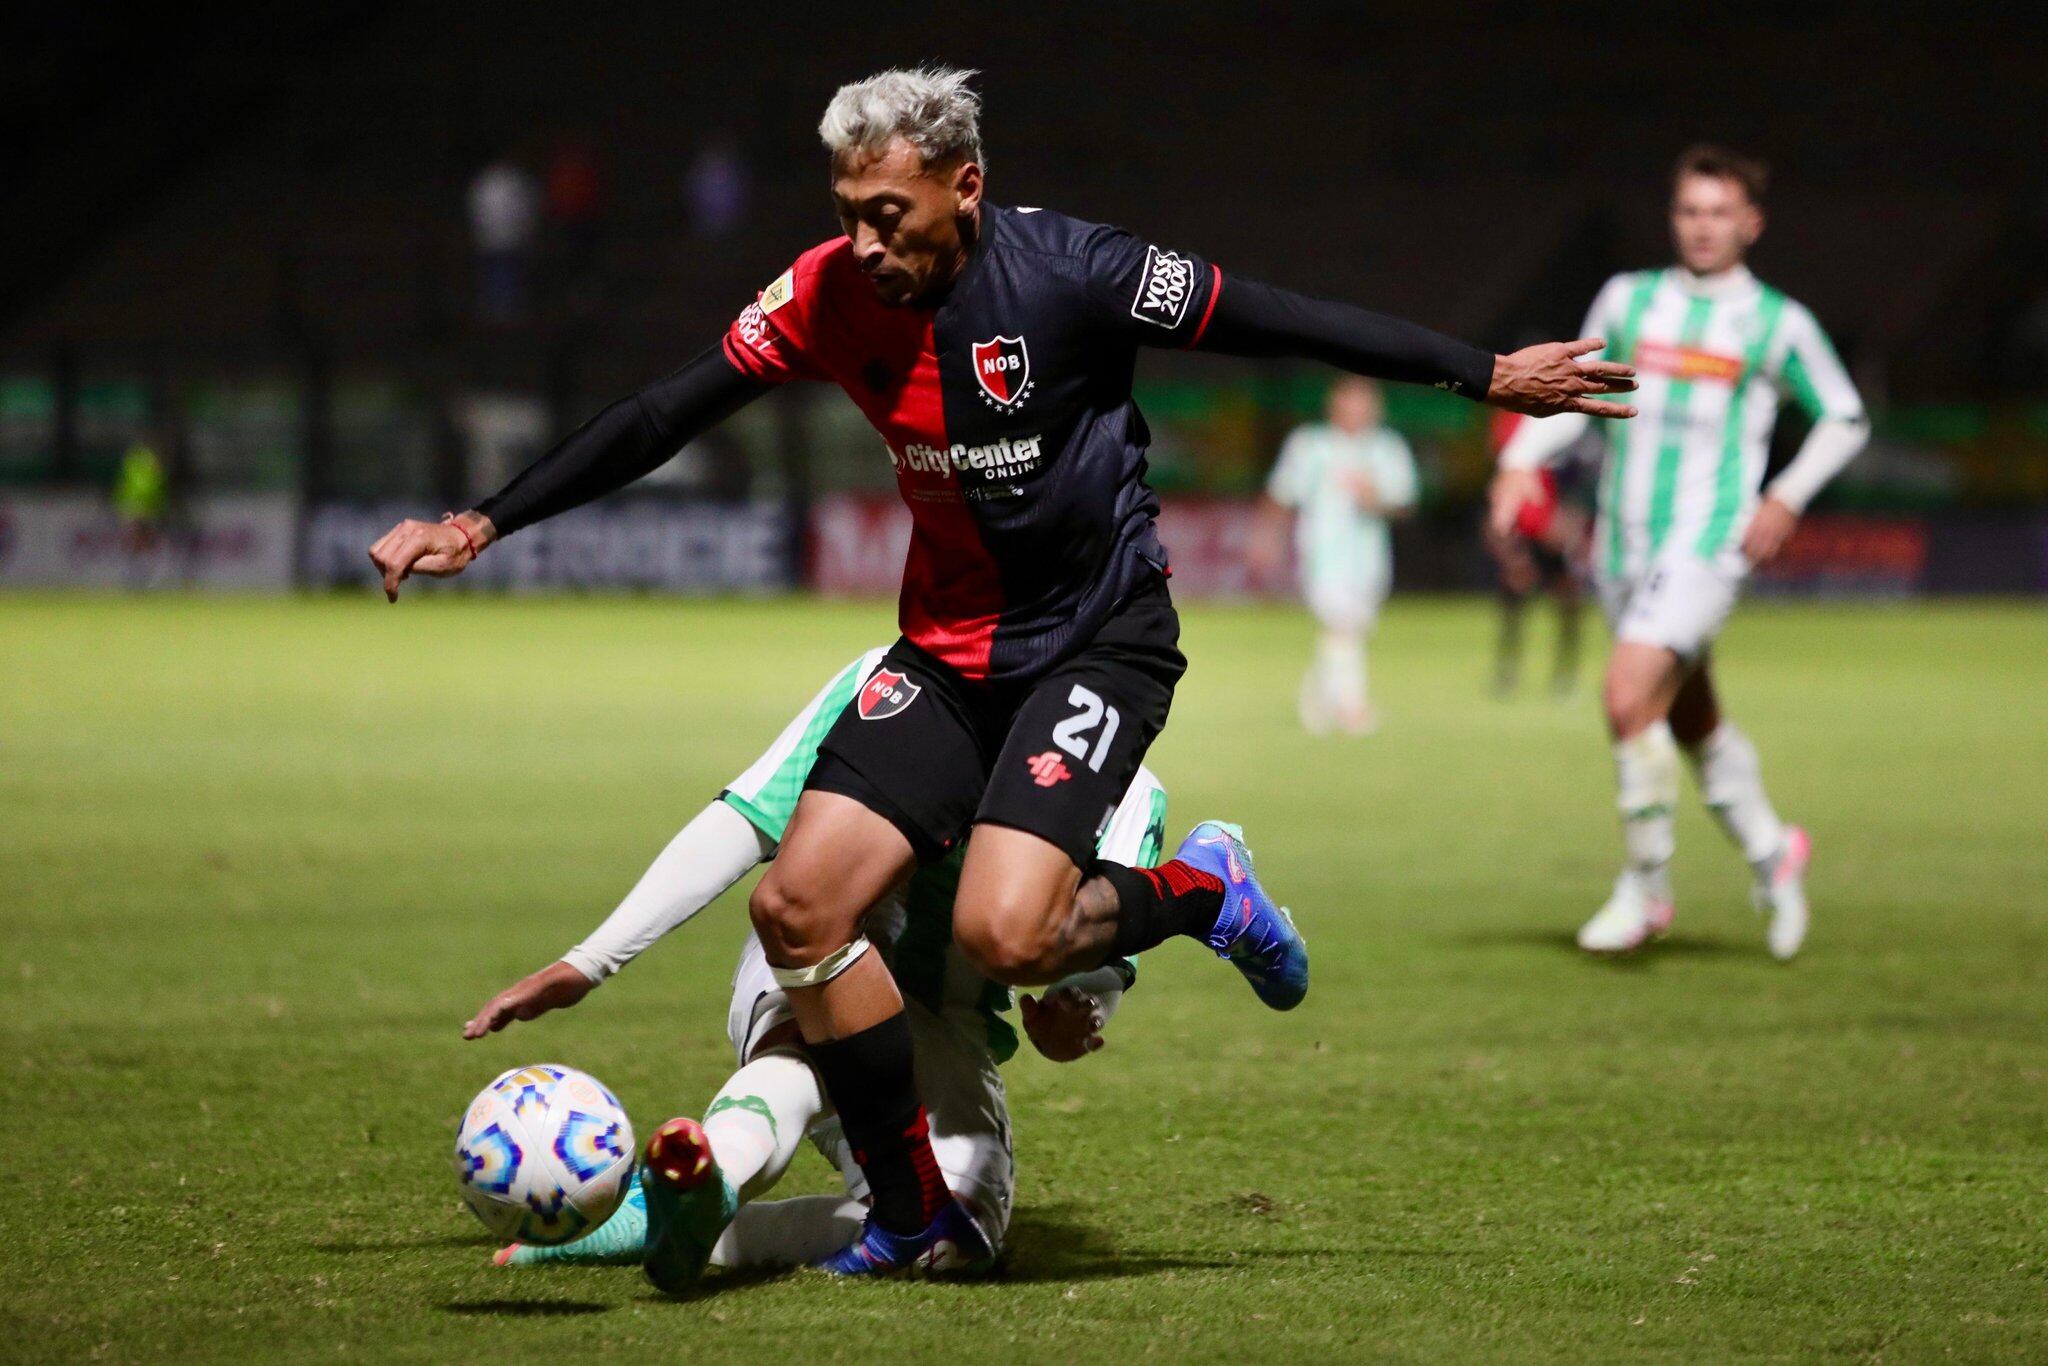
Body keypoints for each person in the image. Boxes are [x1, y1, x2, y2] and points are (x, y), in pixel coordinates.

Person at [371, 66, 1633, 1275]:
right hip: (947, 655)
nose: (863, 240)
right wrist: (481, 521)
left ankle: (1197, 890)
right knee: (798, 909)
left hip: (1097, 641)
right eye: (847, 215)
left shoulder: (1077, 270)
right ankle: (907, 1215)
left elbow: (1272, 319)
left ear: (961, 185)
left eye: (888, 213)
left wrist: (1481, 374)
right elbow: (664, 411)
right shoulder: (821, 294)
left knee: (1008, 935)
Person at [463, 648, 1164, 1287]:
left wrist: (1081, 1005)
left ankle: (681, 1221)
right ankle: (716, 1171)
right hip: (818, 949)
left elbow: (1110, 940)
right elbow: (750, 817)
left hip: (947, 1029)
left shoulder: (1127, 785)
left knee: (958, 1240)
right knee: (820, 1018)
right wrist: (592, 960)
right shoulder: (891, 682)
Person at [1491, 144, 1868, 960]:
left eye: (1719, 212)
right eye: (1690, 211)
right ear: (1676, 218)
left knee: (1627, 696)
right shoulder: (1630, 300)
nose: (1702, 227)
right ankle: (1775, 852)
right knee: (1688, 716)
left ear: (1750, 223)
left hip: (1709, 543)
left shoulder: (1776, 322)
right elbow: (1575, 389)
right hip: (1622, 546)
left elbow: (1845, 417)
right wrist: (1520, 460)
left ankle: (1646, 888)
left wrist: (1785, 494)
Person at [1253, 376, 1417, 734]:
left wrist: (1375, 498)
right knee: (1341, 625)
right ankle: (1351, 707)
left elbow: (1404, 501)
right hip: (1323, 554)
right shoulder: (1309, 445)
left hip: (1370, 557)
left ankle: (1315, 699)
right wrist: (1266, 537)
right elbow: (1282, 493)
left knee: (1351, 629)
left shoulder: (1387, 448)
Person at [1483, 411, 1589, 698]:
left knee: (1568, 597)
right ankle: (1507, 670)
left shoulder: (1567, 413)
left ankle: (1565, 675)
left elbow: (1578, 473)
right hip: (1523, 523)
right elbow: (1501, 475)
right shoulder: (1508, 416)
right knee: (1514, 594)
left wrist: (1570, 523)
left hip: (1555, 522)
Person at [468, 156, 539, 322]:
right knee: (500, 274)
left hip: (498, 238)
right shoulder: (505, 181)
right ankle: (501, 311)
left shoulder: (497, 181)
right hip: (502, 238)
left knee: (507, 274)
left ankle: (505, 310)